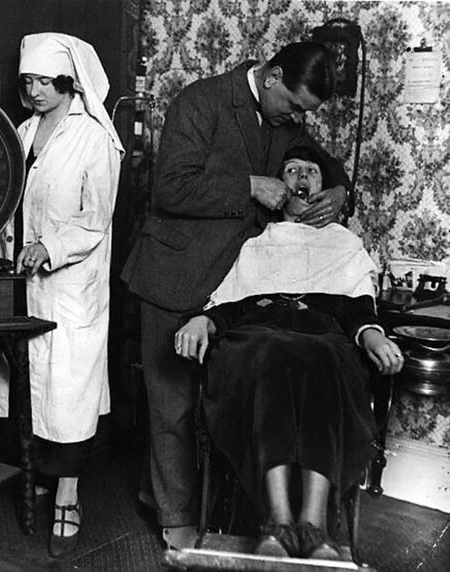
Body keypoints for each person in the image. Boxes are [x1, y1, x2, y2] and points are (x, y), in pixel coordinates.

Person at [120, 41, 354, 550]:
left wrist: (341, 192)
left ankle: (156, 491)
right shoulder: (199, 101)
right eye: (294, 106)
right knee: (172, 404)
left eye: (304, 114)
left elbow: (323, 165)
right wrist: (249, 184)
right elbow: (170, 190)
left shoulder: (285, 115)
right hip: (175, 272)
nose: (296, 120)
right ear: (271, 76)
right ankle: (175, 517)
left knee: (208, 403)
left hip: (232, 284)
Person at [173, 146, 404, 559]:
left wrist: (375, 337)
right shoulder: (258, 244)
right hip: (259, 333)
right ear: (280, 187)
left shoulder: (345, 245)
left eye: (310, 172)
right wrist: (200, 321)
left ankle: (314, 527)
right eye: (291, 170)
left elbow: (357, 311)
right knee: (272, 352)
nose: (300, 177)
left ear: (326, 188)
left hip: (323, 336)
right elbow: (230, 306)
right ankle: (277, 524)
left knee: (323, 358)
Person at [0, 33, 124, 558]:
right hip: (22, 281)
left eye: (46, 81)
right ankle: (39, 476)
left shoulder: (94, 139)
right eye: (29, 82)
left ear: (69, 83)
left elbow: (96, 219)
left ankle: (69, 496)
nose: (36, 91)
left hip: (70, 285)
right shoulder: (21, 132)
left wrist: (50, 246)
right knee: (28, 384)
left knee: (67, 391)